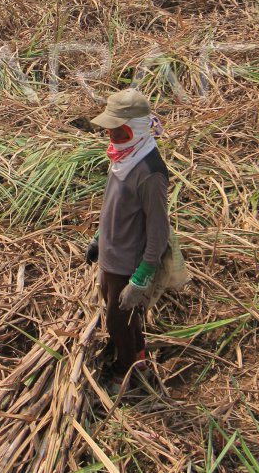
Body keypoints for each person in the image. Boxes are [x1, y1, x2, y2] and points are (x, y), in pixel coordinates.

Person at [84, 88, 169, 381]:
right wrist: (98, 239)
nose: (112, 140)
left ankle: (126, 368)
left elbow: (159, 231)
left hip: (127, 263)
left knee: (118, 321)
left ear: (136, 129)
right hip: (111, 254)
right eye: (110, 132)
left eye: (118, 133)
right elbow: (113, 206)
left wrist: (144, 273)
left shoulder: (150, 172)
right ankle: (138, 354)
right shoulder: (123, 157)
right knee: (121, 314)